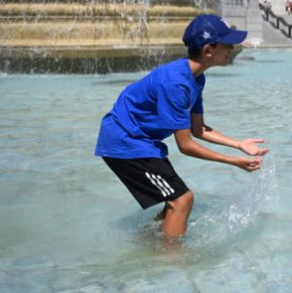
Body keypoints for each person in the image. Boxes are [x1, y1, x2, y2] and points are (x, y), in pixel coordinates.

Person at [95, 14, 269, 241]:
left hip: (140, 141)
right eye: (227, 44)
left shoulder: (196, 78)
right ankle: (173, 261)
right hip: (125, 143)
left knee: (174, 202)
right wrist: (233, 161)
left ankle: (147, 243)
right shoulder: (176, 83)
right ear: (209, 50)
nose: (232, 48)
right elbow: (186, 146)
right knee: (182, 200)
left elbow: (199, 129)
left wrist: (238, 145)